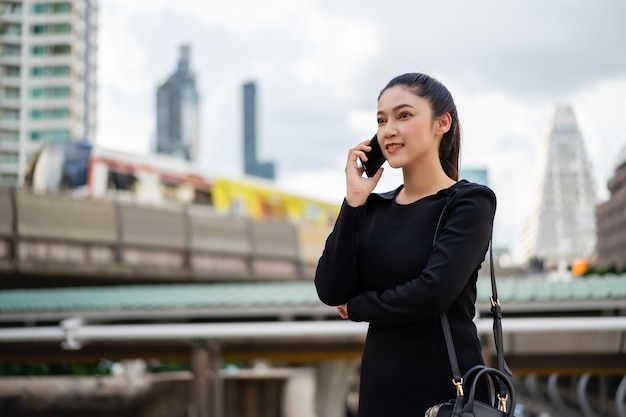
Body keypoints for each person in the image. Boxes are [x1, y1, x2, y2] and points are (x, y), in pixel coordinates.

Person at [314, 72, 496, 416]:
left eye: (404, 115)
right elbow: (330, 288)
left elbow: (433, 292)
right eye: (381, 120)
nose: (388, 130)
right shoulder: (372, 208)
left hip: (450, 393)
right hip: (381, 392)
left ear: (442, 123)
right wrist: (354, 200)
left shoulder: (469, 202)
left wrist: (359, 308)